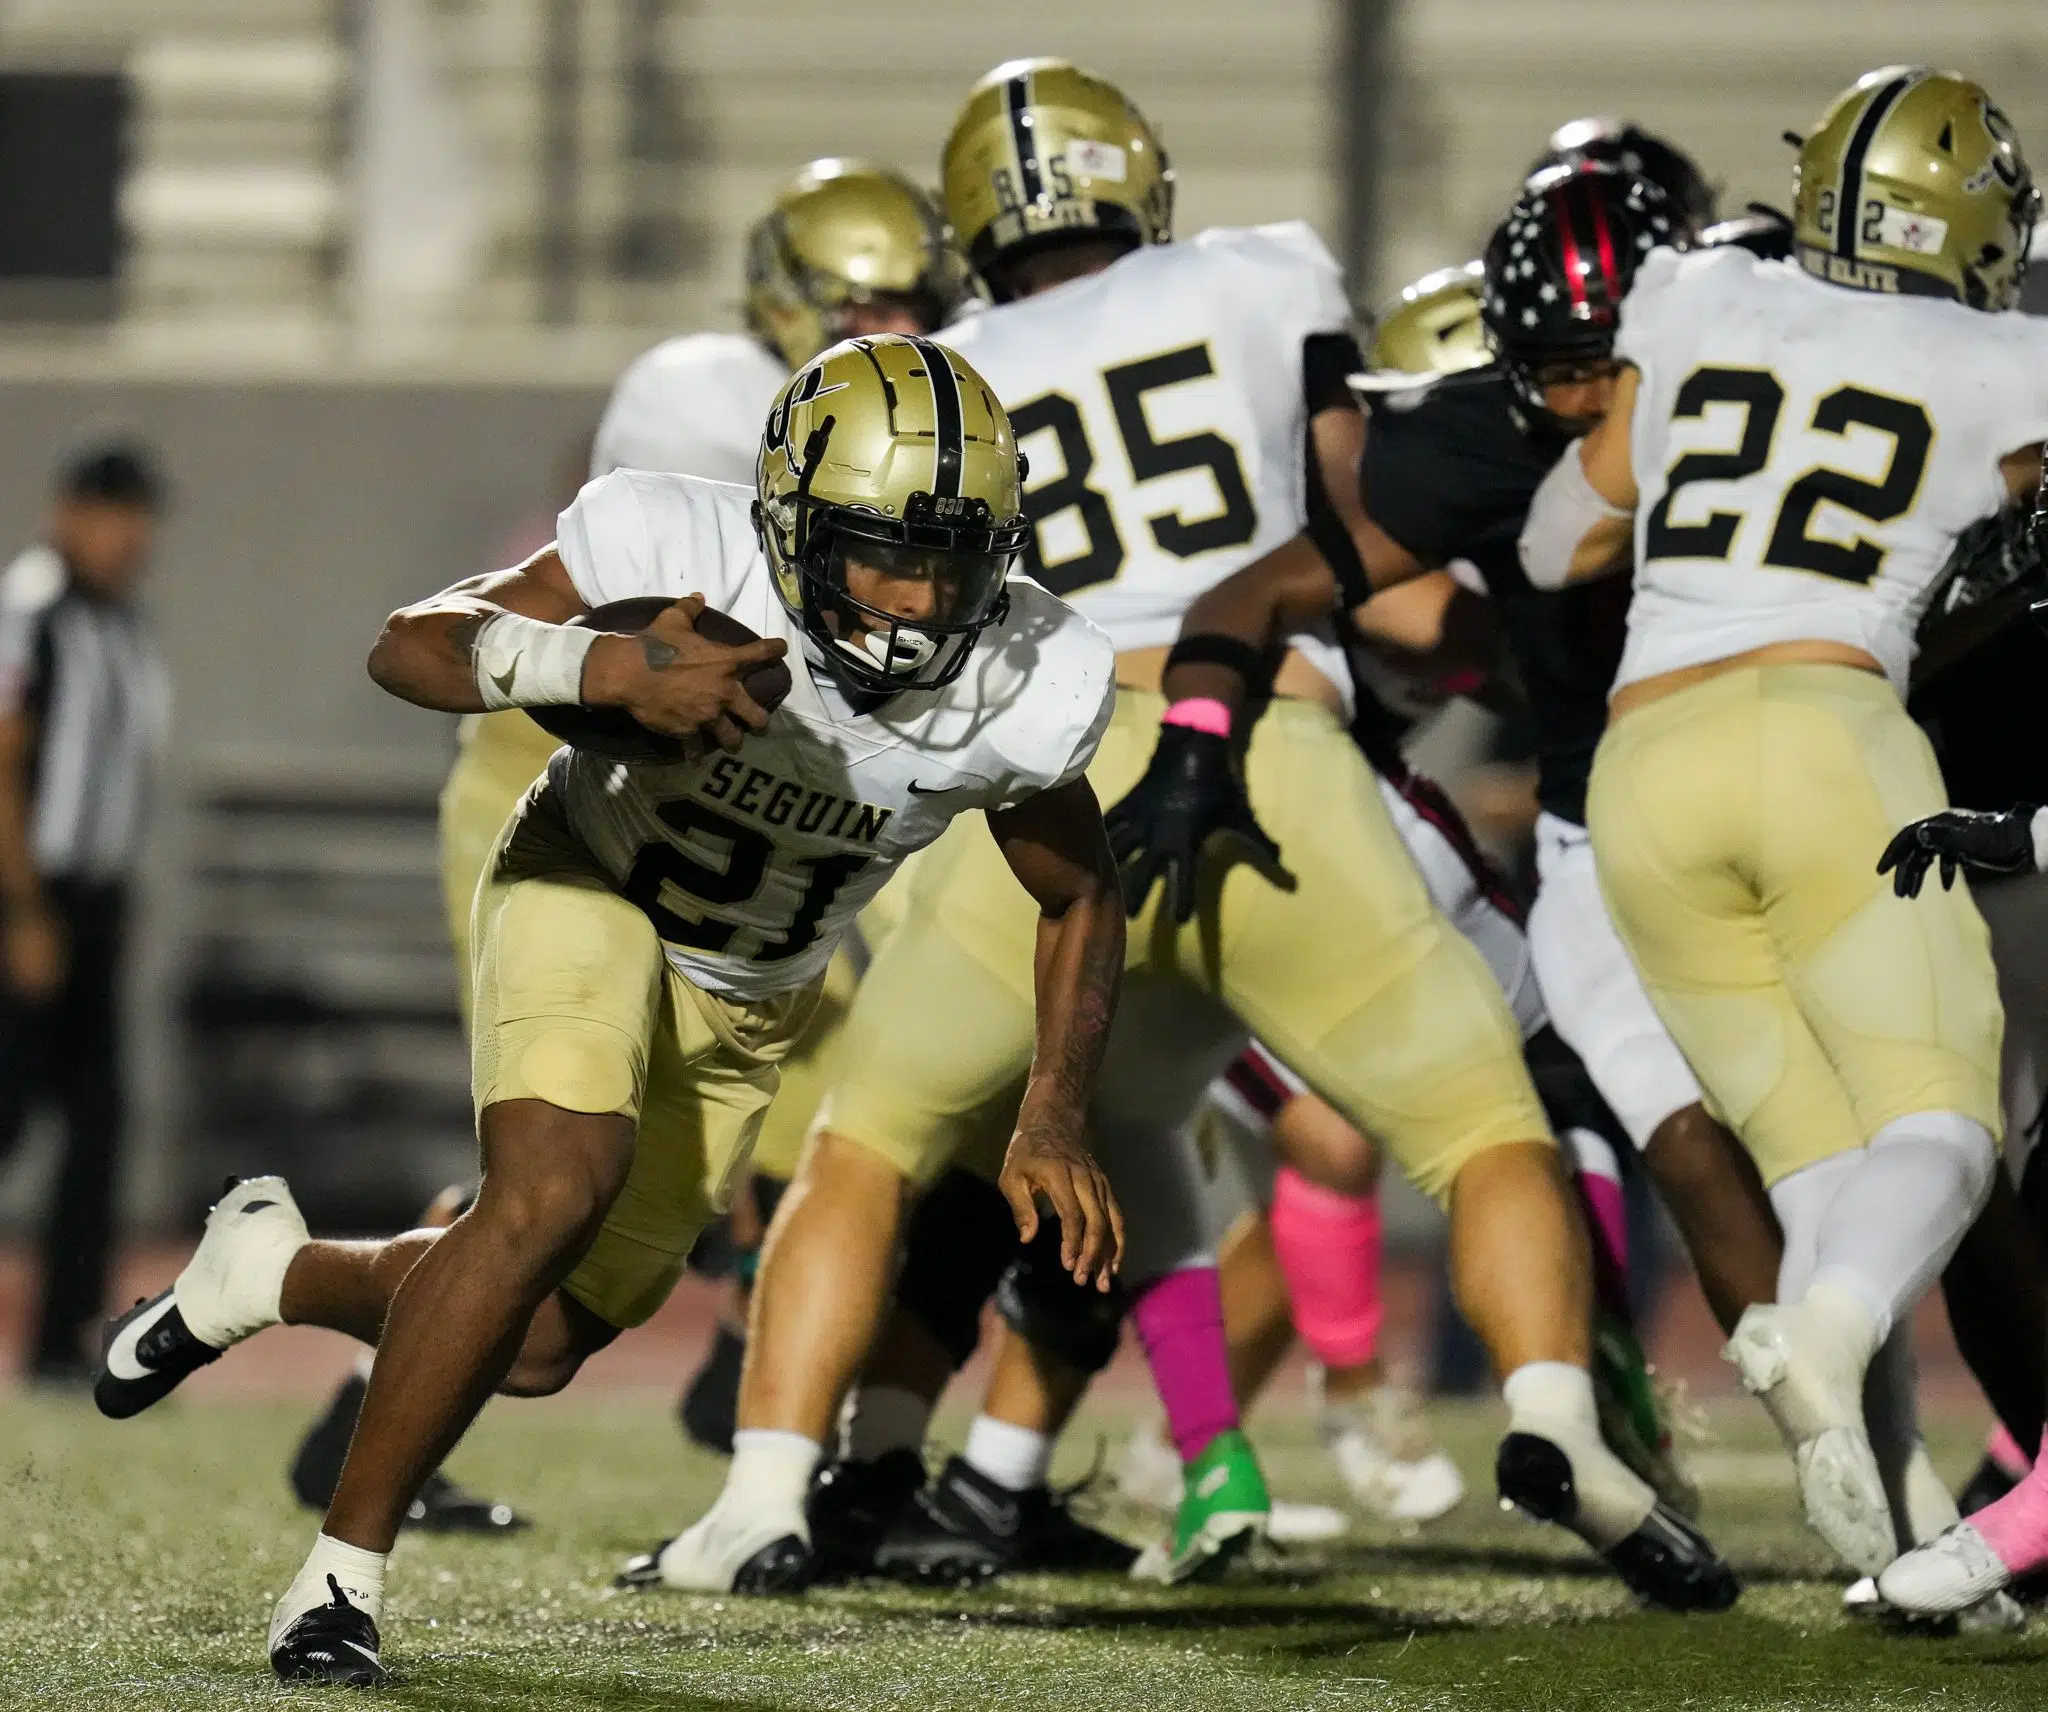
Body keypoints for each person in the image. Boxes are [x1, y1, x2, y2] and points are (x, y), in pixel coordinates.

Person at [656, 58, 1735, 1609]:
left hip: (1045, 773)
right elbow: (1356, 532)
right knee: (1487, 1129)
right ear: (1136, 189)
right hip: (1267, 751)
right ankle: (1562, 1418)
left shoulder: (948, 361)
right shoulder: (1263, 271)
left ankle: (765, 1499)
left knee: (867, 1153)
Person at [93, 333, 1127, 1687]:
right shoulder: (674, 542)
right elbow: (410, 646)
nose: (919, 598)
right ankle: (337, 1585)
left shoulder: (1021, 676)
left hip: (749, 994)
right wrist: (610, 672)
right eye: (883, 552)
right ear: (794, 523)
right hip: (585, 882)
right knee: (549, 1190)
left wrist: (1054, 1103)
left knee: (534, 1343)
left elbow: (1080, 889)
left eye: (951, 556)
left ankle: (267, 1269)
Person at [278, 156, 962, 1521]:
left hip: (724, 803)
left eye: (913, 301)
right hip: (570, 783)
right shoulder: (699, 388)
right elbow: (737, 624)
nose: (889, 330)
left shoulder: (873, 415)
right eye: (860, 303)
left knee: (729, 1106)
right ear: (788, 299)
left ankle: (705, 1357)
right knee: (569, 1144)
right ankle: (745, 1366)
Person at [1518, 66, 2045, 1592]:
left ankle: (1892, 1535)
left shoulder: (1696, 298)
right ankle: (1816, 1333)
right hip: (1828, 739)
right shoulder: (2013, 359)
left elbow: (1561, 538)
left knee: (1818, 1174)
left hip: (1642, 769)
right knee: (1943, 1136)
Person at [0, 442, 168, 1381]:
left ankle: (63, 1339)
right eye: (111, 509)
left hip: (94, 900)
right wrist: (23, 907)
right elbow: (4, 757)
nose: (128, 533)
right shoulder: (30, 610)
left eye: (138, 511)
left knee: (98, 1122)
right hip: (27, 893)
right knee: (8, 1108)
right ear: (66, 511)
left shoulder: (123, 623)